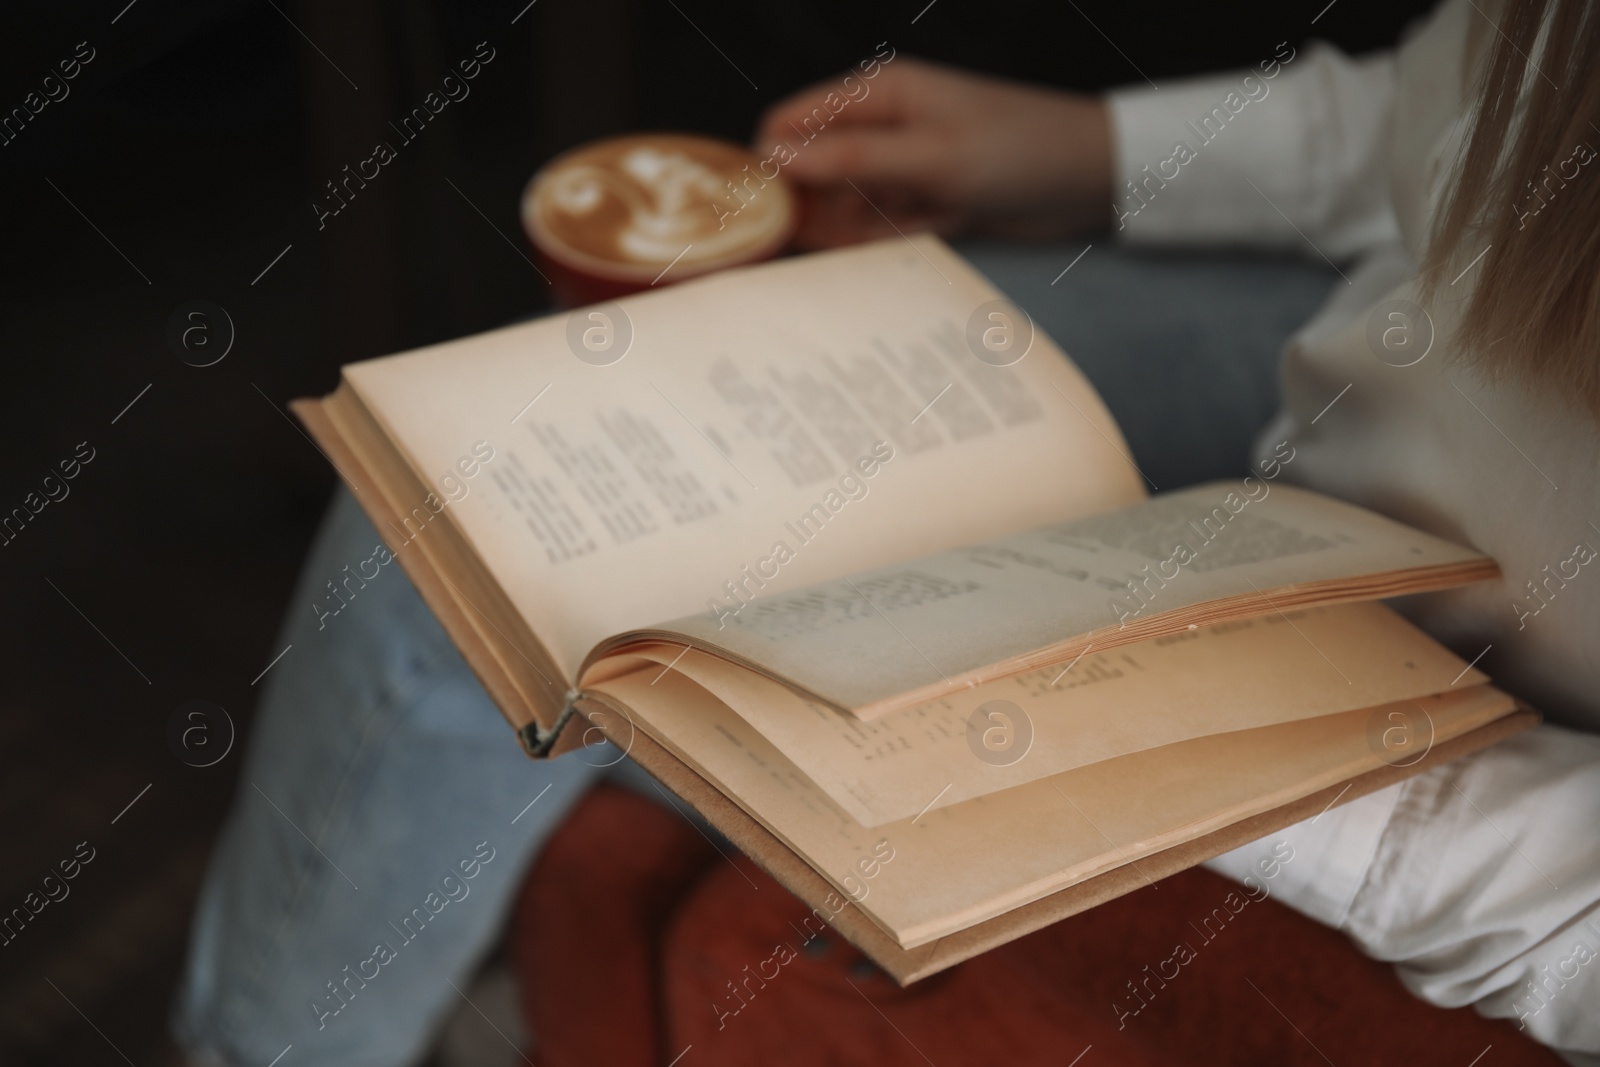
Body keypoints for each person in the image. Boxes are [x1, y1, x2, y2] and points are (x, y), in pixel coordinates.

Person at [173, 1, 1600, 1063]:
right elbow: (1474, 88)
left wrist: (1343, 788)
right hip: (1370, 367)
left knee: (599, 600)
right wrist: (1091, 153)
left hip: (1468, 720)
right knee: (470, 491)